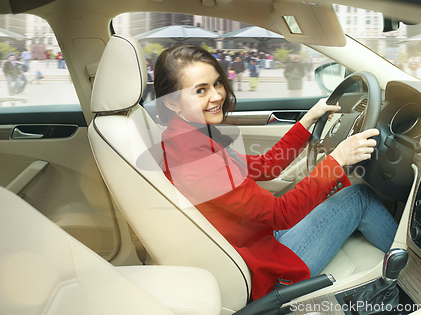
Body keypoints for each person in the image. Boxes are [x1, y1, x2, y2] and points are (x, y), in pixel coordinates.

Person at [154, 45, 397, 300]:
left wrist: (307, 121)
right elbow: (280, 213)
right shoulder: (193, 155)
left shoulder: (189, 137)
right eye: (200, 91)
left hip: (259, 238)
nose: (216, 96)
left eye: (217, 84)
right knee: (360, 197)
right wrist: (337, 159)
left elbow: (266, 166)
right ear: (172, 102)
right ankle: (415, 270)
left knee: (345, 190)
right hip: (266, 267)